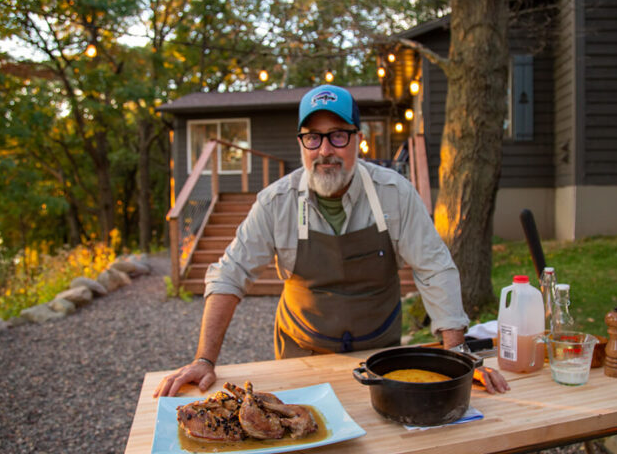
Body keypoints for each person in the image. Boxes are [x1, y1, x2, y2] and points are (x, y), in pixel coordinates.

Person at [154, 84, 509, 398]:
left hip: (378, 354)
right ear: (302, 144)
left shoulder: (394, 193)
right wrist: (204, 359)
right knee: (304, 450)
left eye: (338, 135)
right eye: (313, 137)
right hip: (301, 351)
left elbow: (434, 268)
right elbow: (229, 275)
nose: (325, 150)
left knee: (371, 452)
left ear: (358, 139)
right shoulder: (276, 202)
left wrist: (458, 354)